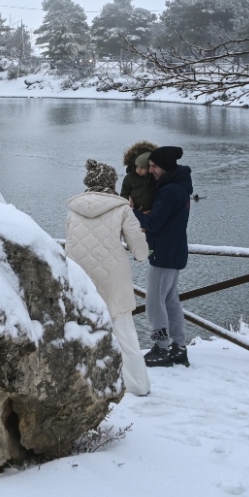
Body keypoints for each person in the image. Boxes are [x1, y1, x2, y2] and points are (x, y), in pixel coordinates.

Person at [66, 159, 152, 396]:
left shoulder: (73, 207)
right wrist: (143, 251)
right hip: (113, 278)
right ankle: (138, 386)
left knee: (83, 332)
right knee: (124, 333)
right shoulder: (122, 207)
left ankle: (85, 385)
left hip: (79, 279)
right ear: (112, 183)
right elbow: (140, 251)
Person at [137, 146, 193, 368]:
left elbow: (153, 223)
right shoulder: (179, 187)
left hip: (164, 254)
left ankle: (161, 349)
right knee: (170, 301)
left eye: (154, 166)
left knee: (154, 302)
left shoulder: (170, 191)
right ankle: (178, 347)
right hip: (174, 251)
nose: (151, 170)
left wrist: (132, 212)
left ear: (166, 167)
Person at [120, 140, 158, 212]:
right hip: (134, 211)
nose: (139, 170)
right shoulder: (129, 178)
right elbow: (124, 194)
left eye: (143, 168)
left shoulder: (155, 177)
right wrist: (128, 204)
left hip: (152, 212)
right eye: (137, 166)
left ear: (149, 167)